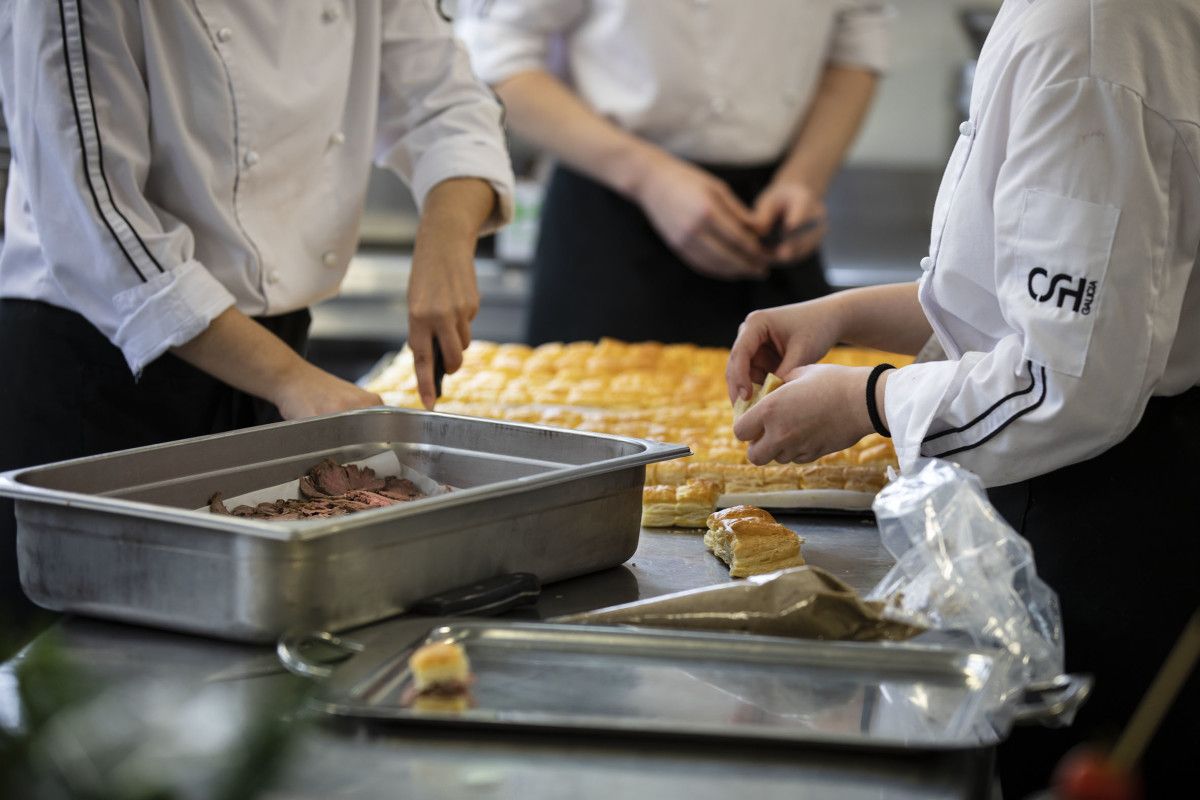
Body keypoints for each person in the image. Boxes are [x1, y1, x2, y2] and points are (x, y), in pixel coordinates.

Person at [725, 0, 1199, 795]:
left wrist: (869, 400)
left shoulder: (1085, 36)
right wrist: (844, 315)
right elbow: (1037, 307)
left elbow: (1065, 382)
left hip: (1106, 518)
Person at [0, 1, 515, 633]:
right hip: (99, 374)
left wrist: (446, 237)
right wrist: (291, 381)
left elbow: (445, 97)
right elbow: (100, 225)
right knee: (98, 675)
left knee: (270, 655)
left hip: (275, 356)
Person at [455, 0, 890, 347]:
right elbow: (493, 56)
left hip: (773, 218)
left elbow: (859, 34)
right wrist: (647, 176)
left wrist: (805, 178)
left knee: (803, 446)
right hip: (610, 216)